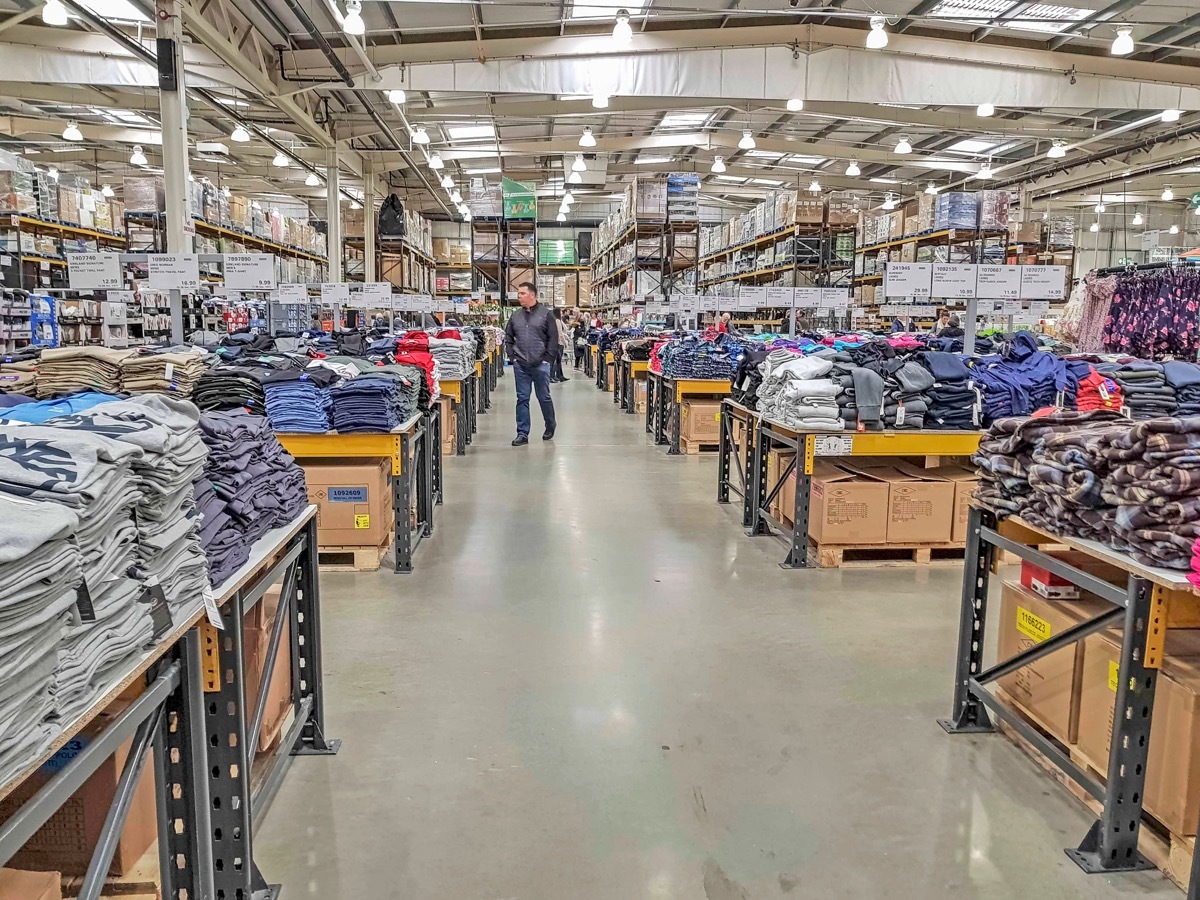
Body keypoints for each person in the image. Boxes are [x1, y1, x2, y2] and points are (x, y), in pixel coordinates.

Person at [504, 282, 559, 445]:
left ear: (532, 295)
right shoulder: (515, 316)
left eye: (522, 293)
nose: (519, 296)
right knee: (522, 399)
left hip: (541, 364)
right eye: (518, 293)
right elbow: (508, 337)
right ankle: (522, 433)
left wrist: (547, 359)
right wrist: (512, 357)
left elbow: (553, 339)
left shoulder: (546, 315)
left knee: (544, 397)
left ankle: (550, 425)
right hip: (521, 365)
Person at [550, 309, 570, 383]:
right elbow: (560, 334)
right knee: (556, 361)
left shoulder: (558, 320)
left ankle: (559, 375)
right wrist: (565, 343)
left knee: (558, 361)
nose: (561, 314)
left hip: (557, 342)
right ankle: (553, 376)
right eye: (560, 312)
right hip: (559, 343)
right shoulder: (557, 321)